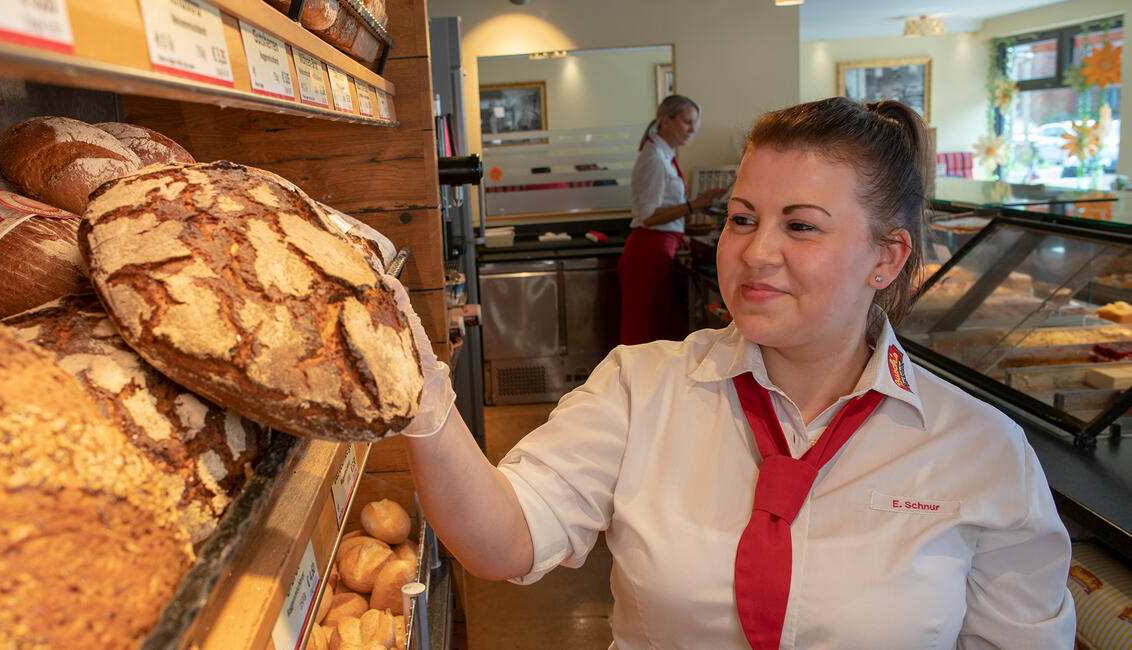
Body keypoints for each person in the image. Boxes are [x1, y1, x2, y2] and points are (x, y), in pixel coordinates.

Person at [388, 97, 1076, 648]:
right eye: (742, 218)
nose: (755, 252)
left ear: (887, 258)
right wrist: (419, 392)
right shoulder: (641, 388)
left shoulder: (981, 452)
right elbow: (503, 540)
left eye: (800, 226)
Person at [618, 94, 727, 345]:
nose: (692, 129)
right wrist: (695, 204)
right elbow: (648, 216)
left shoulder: (665, 155)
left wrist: (698, 209)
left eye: (694, 124)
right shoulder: (654, 158)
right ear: (666, 120)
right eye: (687, 122)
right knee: (641, 335)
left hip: (660, 249)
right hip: (647, 250)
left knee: (656, 331)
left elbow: (666, 212)